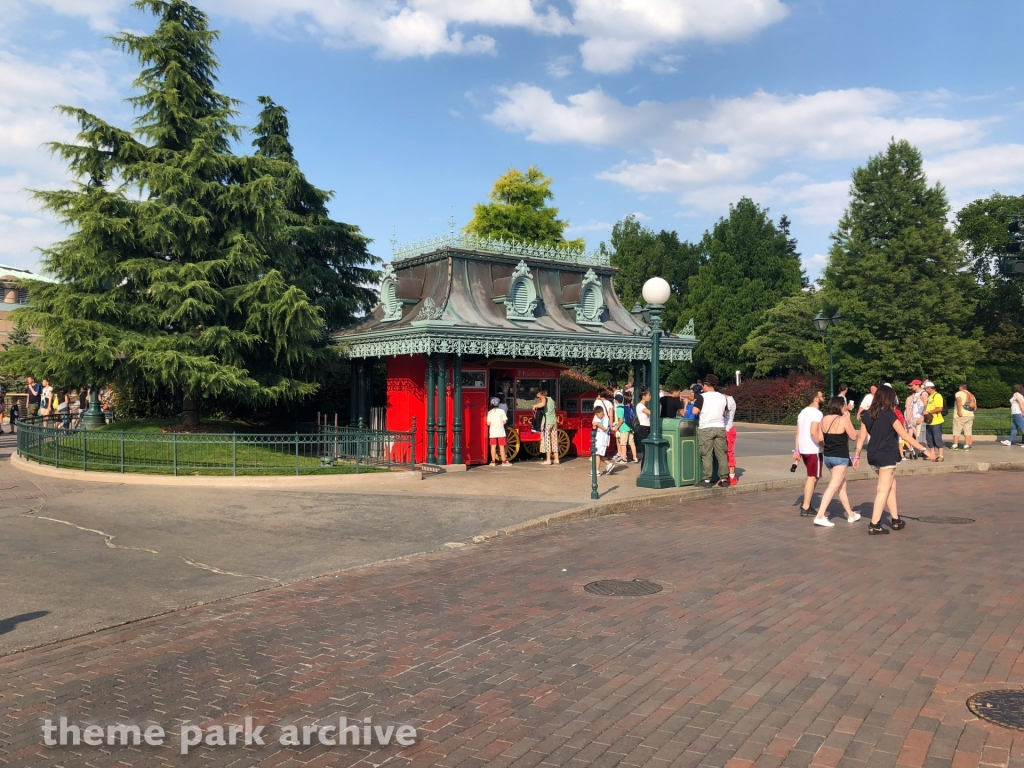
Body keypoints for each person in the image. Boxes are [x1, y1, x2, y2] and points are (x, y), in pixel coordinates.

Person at [855, 385, 934, 534]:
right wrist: (925, 450)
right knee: (883, 489)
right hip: (886, 454)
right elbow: (904, 435)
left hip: (872, 454)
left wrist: (857, 455)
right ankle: (874, 524)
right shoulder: (890, 415)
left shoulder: (867, 415)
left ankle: (896, 519)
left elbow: (861, 437)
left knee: (891, 485)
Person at [812, 397, 861, 528]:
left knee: (841, 486)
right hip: (840, 457)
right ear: (840, 406)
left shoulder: (824, 419)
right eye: (844, 405)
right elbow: (853, 436)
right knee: (833, 486)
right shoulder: (843, 419)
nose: (846, 408)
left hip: (828, 456)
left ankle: (851, 514)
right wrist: (848, 420)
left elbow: (821, 438)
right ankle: (820, 515)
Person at [692, 374, 730, 488]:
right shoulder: (723, 397)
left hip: (706, 427)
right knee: (721, 454)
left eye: (703, 385)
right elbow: (725, 413)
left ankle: (707, 480)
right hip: (720, 427)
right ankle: (723, 479)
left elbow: (694, 411)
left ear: (706, 385)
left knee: (706, 454)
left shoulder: (702, 397)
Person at [795, 389, 825, 515]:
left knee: (813, 476)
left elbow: (797, 433)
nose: (823, 397)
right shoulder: (817, 413)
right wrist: (822, 444)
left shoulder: (802, 412)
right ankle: (806, 506)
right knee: (812, 477)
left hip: (803, 448)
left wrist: (797, 450)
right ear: (816, 399)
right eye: (821, 395)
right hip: (813, 449)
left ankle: (806, 502)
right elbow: (814, 432)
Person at [532, 388, 559, 466]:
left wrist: (535, 405)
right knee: (554, 440)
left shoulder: (544, 398)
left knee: (547, 440)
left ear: (541, 394)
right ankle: (556, 459)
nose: (538, 398)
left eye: (538, 396)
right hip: (554, 422)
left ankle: (548, 460)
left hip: (547, 422)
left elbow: (543, 404)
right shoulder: (551, 399)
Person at [922, 381, 945, 461]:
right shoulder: (929, 396)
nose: (925, 390)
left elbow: (939, 408)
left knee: (937, 438)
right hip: (929, 421)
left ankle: (941, 455)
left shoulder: (937, 396)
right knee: (930, 439)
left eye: (925, 388)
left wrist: (929, 412)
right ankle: (932, 454)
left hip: (936, 421)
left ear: (929, 388)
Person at [614, 393, 639, 463]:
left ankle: (624, 458)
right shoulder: (626, 407)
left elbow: (621, 420)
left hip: (624, 428)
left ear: (616, 401)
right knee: (632, 443)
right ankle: (635, 457)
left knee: (623, 443)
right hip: (630, 427)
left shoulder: (619, 408)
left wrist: (616, 427)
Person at [904, 379, 927, 458]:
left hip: (919, 417)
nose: (911, 387)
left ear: (917, 385)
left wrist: (922, 417)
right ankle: (921, 450)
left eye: (912, 385)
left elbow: (925, 406)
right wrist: (909, 417)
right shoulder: (915, 395)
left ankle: (924, 451)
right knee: (916, 436)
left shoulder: (923, 393)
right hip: (913, 417)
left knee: (920, 436)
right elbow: (913, 407)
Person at [951, 383, 976, 451]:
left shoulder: (959, 393)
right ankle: (966, 445)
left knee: (957, 430)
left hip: (961, 415)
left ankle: (955, 445)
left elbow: (959, 400)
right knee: (968, 431)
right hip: (970, 415)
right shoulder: (971, 395)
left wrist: (959, 411)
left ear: (961, 387)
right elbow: (975, 407)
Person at [486, 397, 510, 467]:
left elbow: (488, 423)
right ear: (498, 404)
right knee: (501, 446)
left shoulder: (489, 412)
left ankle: (493, 461)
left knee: (493, 446)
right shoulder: (502, 411)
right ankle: (504, 461)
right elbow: (505, 421)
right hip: (501, 431)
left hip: (493, 432)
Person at [592, 405, 614, 475]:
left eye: (597, 415)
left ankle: (597, 470)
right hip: (600, 439)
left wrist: (598, 424)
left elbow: (605, 428)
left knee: (597, 454)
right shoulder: (602, 419)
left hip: (603, 439)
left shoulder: (606, 419)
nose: (597, 416)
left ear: (601, 412)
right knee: (598, 454)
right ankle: (609, 464)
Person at [724, 391, 738, 486]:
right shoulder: (727, 400)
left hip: (728, 429)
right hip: (725, 429)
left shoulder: (729, 401)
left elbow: (724, 413)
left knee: (729, 452)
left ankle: (732, 476)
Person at [634, 388, 651, 461]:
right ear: (643, 396)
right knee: (646, 452)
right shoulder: (640, 405)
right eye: (649, 395)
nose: (650, 397)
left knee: (647, 452)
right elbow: (650, 412)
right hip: (644, 429)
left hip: (647, 429)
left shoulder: (643, 406)